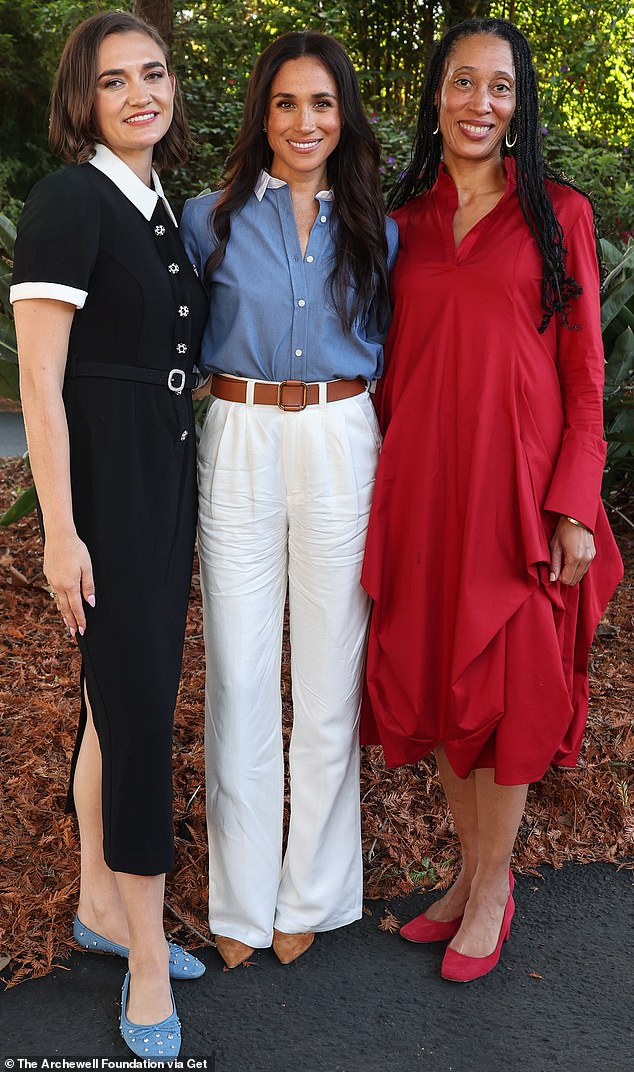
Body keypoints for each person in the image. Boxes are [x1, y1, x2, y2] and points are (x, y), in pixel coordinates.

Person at [361, 17, 623, 983]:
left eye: (500, 88)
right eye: (463, 83)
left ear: (520, 106)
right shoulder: (402, 220)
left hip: (520, 496)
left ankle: (496, 888)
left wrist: (574, 503)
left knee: (505, 699)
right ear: (437, 94)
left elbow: (587, 375)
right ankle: (469, 881)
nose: (480, 104)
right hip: (427, 492)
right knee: (443, 690)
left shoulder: (559, 214)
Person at [11, 11, 208, 1056]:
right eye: (115, 80)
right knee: (134, 723)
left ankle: (99, 902)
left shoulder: (155, 204)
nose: (141, 93)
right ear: (82, 100)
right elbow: (39, 386)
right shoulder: (67, 199)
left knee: (113, 708)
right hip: (109, 491)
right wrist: (61, 533)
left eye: (154, 73)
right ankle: (141, 963)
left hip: (161, 472)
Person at [180, 30, 397, 968]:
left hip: (342, 438)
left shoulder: (377, 229)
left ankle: (310, 892)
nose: (304, 121)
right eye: (285, 103)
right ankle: (239, 904)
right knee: (236, 669)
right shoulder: (209, 219)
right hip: (240, 435)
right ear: (261, 113)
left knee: (326, 677)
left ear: (342, 115)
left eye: (321, 103)